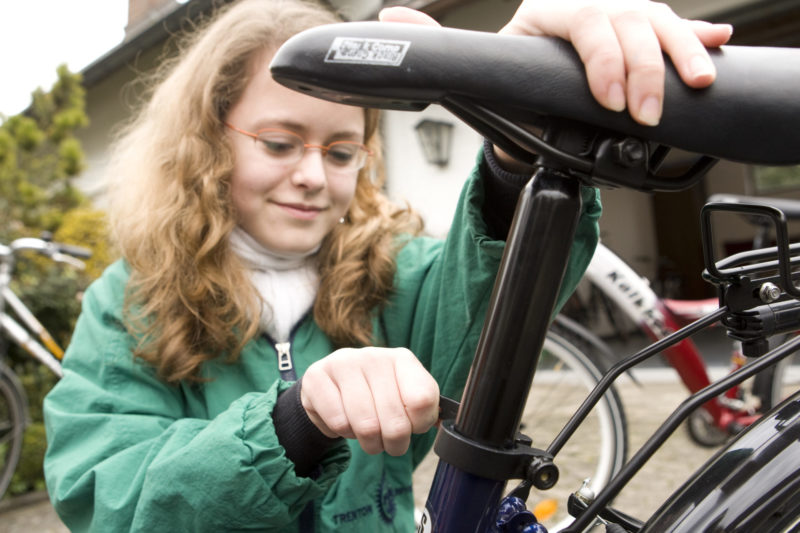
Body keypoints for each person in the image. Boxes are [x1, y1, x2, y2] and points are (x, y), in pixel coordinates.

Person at [43, 0, 732, 531]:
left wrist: (520, 148)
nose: (313, 175)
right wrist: (293, 421)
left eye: (342, 151)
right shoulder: (129, 301)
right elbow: (108, 494)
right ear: (204, 143)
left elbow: (487, 296)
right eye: (280, 142)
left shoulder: (391, 274)